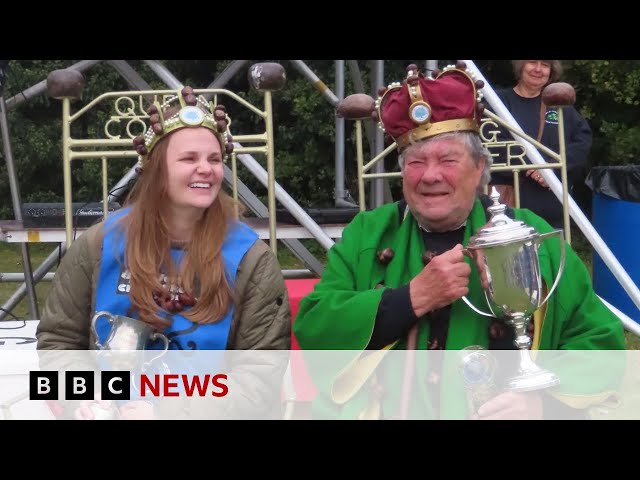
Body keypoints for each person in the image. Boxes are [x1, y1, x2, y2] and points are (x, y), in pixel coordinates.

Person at [293, 62, 625, 420]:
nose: (431, 175)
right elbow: (316, 327)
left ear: (480, 167)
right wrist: (411, 298)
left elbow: (600, 344)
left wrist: (545, 403)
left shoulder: (531, 236)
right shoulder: (369, 233)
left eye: (448, 159)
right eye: (416, 162)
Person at [36, 86, 291, 419]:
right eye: (189, 158)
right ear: (157, 170)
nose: (207, 169)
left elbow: (260, 379)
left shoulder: (251, 260)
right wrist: (84, 398)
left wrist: (163, 409)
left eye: (214, 159)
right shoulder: (100, 245)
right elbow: (58, 340)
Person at [490, 60, 593, 228]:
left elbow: (582, 140)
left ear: (551, 71)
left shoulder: (558, 105)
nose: (538, 69)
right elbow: (492, 144)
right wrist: (536, 167)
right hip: (511, 210)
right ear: (520, 66)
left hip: (553, 206)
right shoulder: (498, 102)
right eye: (532, 62)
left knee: (555, 253)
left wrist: (552, 167)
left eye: (545, 65)